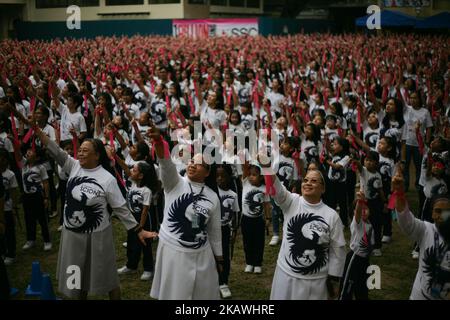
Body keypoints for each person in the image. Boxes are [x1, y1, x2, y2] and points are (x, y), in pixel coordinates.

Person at [29, 120, 152, 300]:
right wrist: (36, 129)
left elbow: (121, 208)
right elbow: (54, 149)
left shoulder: (107, 179)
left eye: (85, 150)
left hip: (97, 237)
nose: (80, 152)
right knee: (75, 278)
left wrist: (137, 230)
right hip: (73, 235)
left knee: (107, 277)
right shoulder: (74, 166)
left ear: (97, 156)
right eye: (80, 150)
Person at [144, 125, 223, 300]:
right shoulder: (175, 183)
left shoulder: (212, 197)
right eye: (191, 160)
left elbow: (214, 231)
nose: (192, 164)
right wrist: (159, 142)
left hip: (202, 254)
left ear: (208, 172)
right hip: (174, 251)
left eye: (199, 164)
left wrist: (218, 257)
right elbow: (165, 164)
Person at [264, 162, 346, 300]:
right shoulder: (292, 201)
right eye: (306, 180)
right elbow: (279, 190)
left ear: (323, 188)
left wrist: (334, 278)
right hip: (286, 275)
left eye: (314, 181)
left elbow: (338, 249)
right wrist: (266, 167)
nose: (308, 183)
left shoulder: (332, 215)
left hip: (316, 282)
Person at [392, 171, 450, 300]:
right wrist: (400, 193)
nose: (441, 215)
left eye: (447, 211)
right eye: (437, 211)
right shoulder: (426, 230)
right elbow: (406, 221)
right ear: (432, 214)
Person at [339, 191, 374, 300]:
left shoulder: (370, 225)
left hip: (364, 261)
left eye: (366, 208)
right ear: (354, 212)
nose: (363, 211)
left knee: (362, 288)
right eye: (360, 208)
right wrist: (360, 201)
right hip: (354, 259)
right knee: (348, 287)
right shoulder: (357, 223)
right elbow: (358, 212)